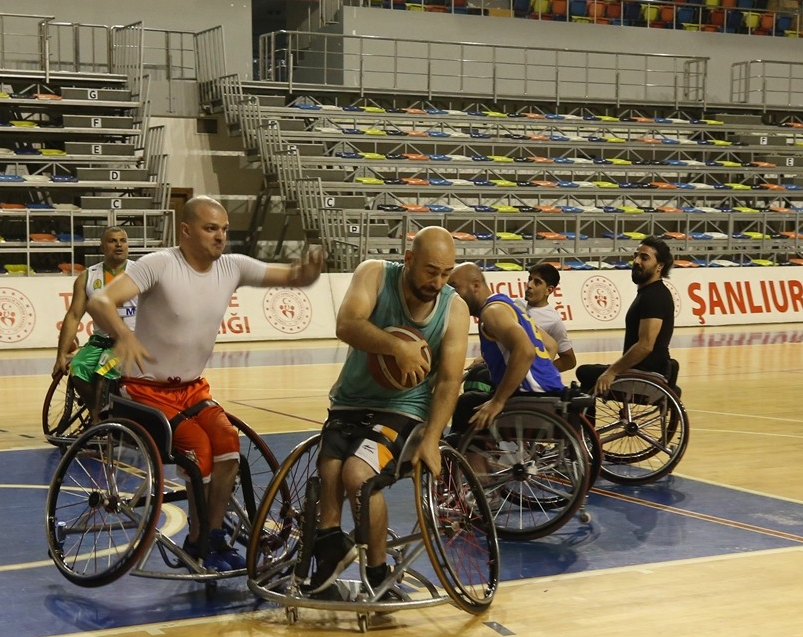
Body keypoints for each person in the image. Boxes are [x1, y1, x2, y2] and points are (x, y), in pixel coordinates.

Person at [85, 195, 324, 572]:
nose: (220, 236)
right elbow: (100, 301)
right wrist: (122, 335)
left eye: (224, 229)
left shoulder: (232, 267)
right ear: (186, 231)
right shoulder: (160, 264)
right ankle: (198, 537)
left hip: (193, 390)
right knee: (198, 448)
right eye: (211, 228)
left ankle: (212, 533)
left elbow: (288, 275)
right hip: (145, 392)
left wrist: (305, 275)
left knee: (229, 445)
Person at [305, 225, 470, 596]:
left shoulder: (454, 308)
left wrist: (431, 438)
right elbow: (346, 325)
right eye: (431, 271)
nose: (438, 281)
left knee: (357, 475)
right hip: (350, 400)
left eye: (446, 273)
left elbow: (448, 381)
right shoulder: (375, 274)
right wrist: (396, 347)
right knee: (328, 470)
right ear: (409, 259)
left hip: (404, 410)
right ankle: (332, 546)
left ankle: (378, 573)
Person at [447, 262, 566, 438]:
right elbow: (550, 345)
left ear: (476, 286)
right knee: (477, 386)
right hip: (551, 394)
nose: (452, 295)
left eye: (454, 287)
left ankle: (470, 462)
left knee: (466, 404)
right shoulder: (506, 304)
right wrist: (540, 372)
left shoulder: (492, 312)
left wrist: (498, 401)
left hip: (530, 400)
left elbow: (525, 350)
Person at [574, 236, 676, 396]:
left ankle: (584, 420)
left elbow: (645, 345)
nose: (636, 261)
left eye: (644, 258)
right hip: (641, 372)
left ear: (659, 266)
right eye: (635, 256)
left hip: (646, 376)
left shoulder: (654, 296)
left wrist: (612, 372)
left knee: (584, 373)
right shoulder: (650, 292)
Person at [52, 227, 133, 412]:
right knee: (78, 369)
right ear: (102, 247)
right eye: (113, 241)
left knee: (104, 369)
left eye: (123, 240)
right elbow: (73, 316)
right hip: (100, 341)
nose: (119, 245)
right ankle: (98, 413)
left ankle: (101, 421)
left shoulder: (140, 272)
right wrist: (61, 356)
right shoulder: (87, 277)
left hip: (130, 341)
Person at [520, 262, 577, 374]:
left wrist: (541, 373)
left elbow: (569, 360)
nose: (530, 285)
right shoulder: (517, 304)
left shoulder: (553, 321)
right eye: (530, 279)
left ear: (549, 290)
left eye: (537, 282)